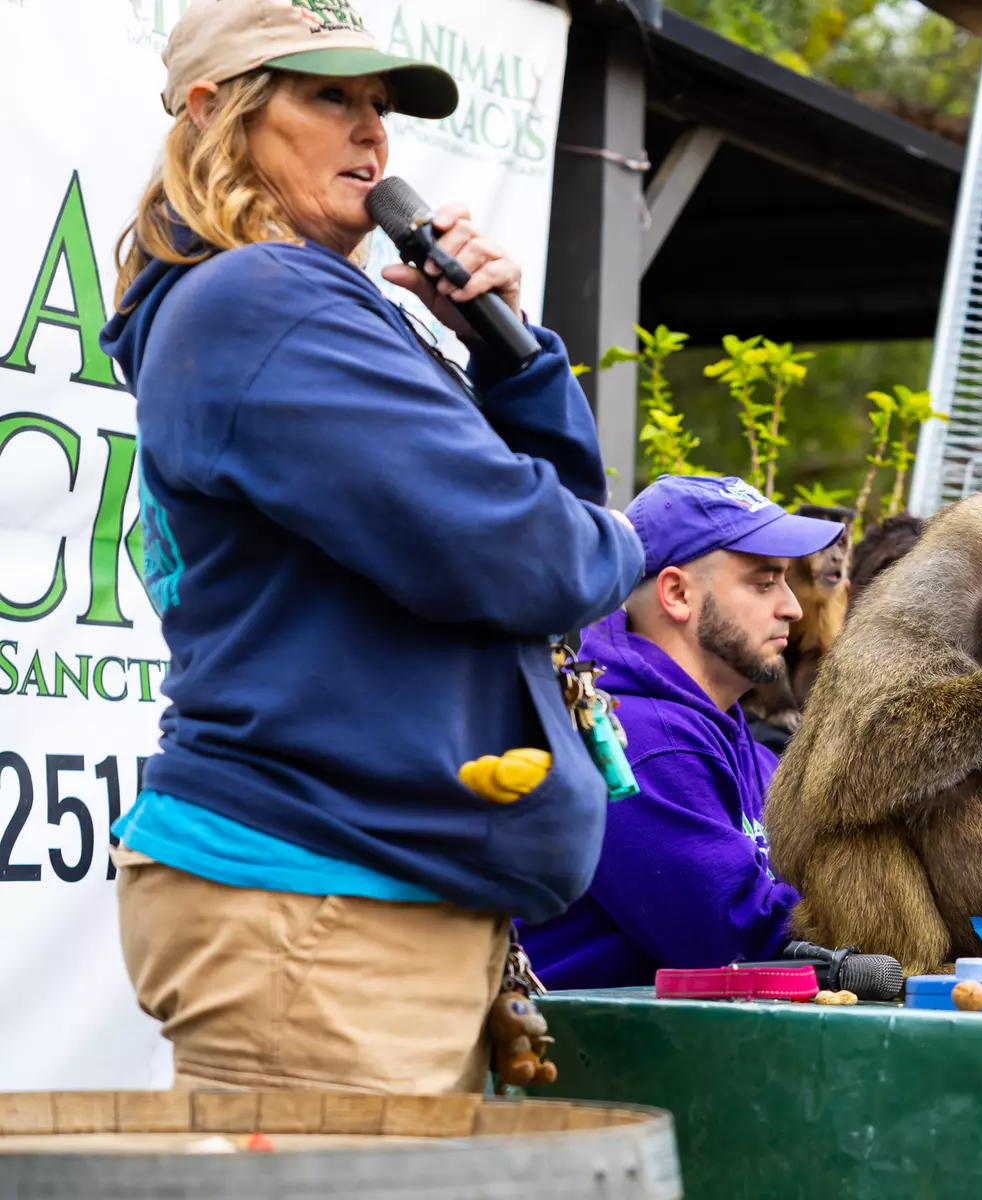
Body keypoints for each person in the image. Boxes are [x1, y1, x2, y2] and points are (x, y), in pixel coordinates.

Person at [98, 0, 643, 1093]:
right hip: (320, 899)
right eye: (328, 96)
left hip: (358, 892)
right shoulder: (267, 298)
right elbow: (541, 558)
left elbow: (543, 553)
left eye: (381, 106)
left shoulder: (294, 302)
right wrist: (624, 540)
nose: (372, 134)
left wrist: (512, 356)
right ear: (216, 112)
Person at [518, 475, 846, 988]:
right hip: (574, 1057)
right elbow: (737, 938)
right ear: (676, 593)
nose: (793, 608)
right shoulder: (636, 742)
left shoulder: (740, 745)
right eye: (764, 583)